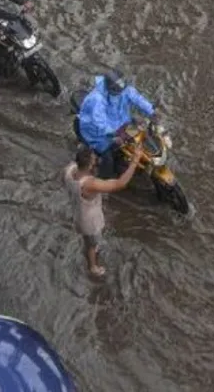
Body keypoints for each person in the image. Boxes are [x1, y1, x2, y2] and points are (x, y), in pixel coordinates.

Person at [64, 146, 145, 279]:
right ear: (90, 166)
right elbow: (120, 183)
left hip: (78, 213)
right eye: (94, 159)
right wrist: (135, 161)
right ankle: (93, 267)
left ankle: (90, 250)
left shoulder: (69, 170)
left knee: (88, 240)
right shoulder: (90, 184)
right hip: (90, 222)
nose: (96, 159)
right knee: (92, 244)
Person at [78, 70, 156, 178]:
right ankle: (104, 180)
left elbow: (137, 98)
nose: (121, 92)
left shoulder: (123, 88)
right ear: (109, 88)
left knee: (140, 135)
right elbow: (100, 123)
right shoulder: (96, 99)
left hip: (119, 122)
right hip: (97, 132)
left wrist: (152, 111)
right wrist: (114, 135)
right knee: (108, 158)